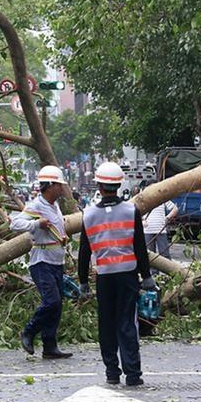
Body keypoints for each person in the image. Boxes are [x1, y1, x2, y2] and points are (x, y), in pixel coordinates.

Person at [78, 162, 155, 386]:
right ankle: (133, 373)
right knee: (127, 323)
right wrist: (146, 275)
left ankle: (112, 372)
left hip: (104, 277)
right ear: (120, 184)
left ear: (99, 187)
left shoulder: (89, 214)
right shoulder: (131, 211)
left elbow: (84, 252)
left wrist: (83, 281)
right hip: (128, 275)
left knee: (106, 323)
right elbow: (140, 246)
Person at [10, 165, 73, 359]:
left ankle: (49, 345)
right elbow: (15, 224)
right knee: (51, 301)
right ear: (50, 186)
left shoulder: (54, 206)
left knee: (57, 304)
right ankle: (29, 331)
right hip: (41, 261)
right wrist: (36, 224)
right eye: (59, 186)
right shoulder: (36, 206)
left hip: (56, 261)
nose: (62, 189)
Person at [140, 181, 178, 264]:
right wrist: (142, 220)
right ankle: (154, 274)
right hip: (147, 230)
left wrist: (167, 218)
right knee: (150, 255)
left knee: (164, 253)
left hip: (160, 229)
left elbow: (175, 209)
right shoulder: (143, 199)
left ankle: (169, 272)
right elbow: (137, 211)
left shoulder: (162, 198)